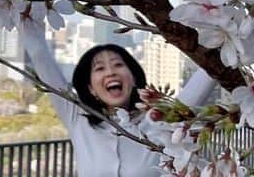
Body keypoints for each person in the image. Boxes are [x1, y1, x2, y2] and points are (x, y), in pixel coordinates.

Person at [24, 24, 214, 177]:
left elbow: (206, 76)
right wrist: (22, 9)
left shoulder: (157, 120)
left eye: (118, 65)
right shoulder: (78, 120)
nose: (110, 72)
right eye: (99, 68)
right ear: (91, 88)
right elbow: (39, 54)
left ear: (133, 78)